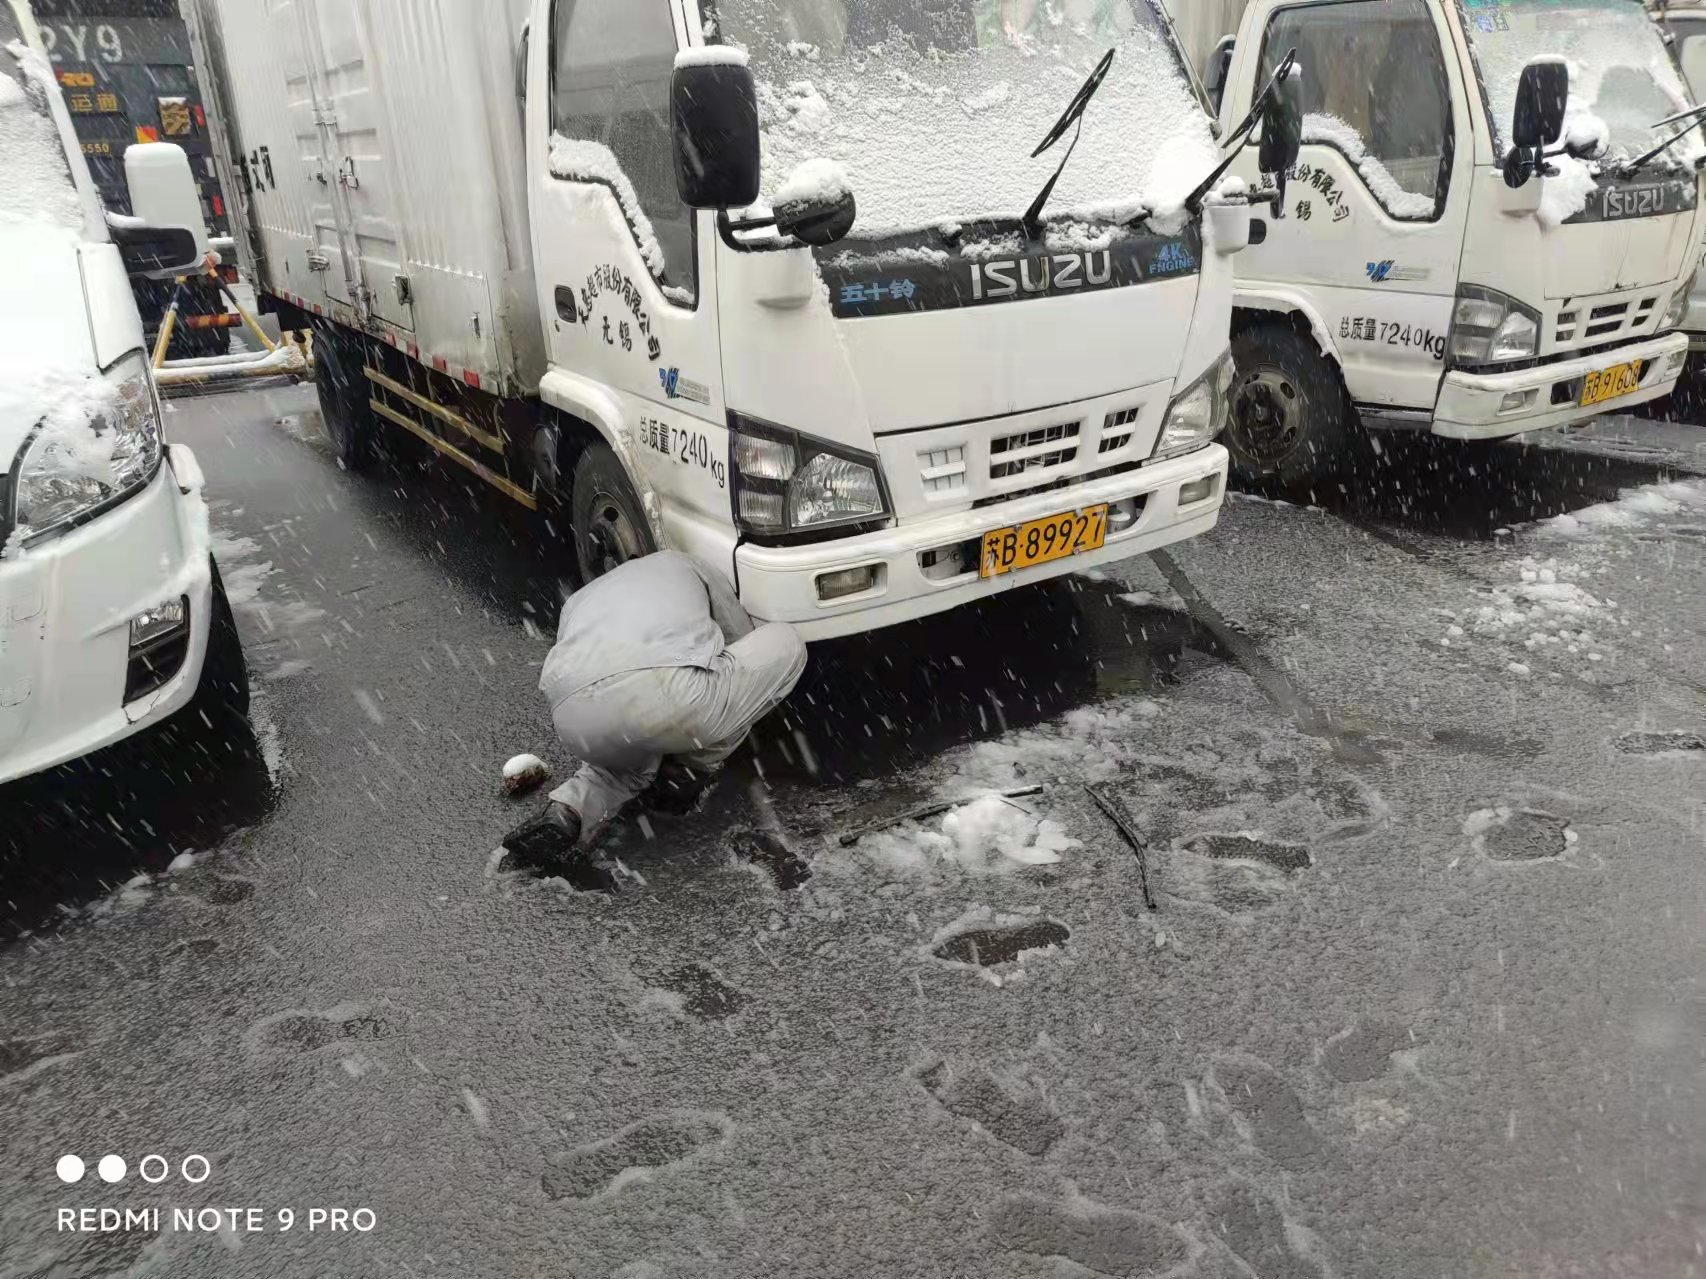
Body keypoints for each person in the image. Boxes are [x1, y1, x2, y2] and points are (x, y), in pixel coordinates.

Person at [502, 551, 807, 872]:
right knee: (783, 641)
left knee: (618, 767)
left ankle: (566, 813)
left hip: (574, 718)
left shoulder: (579, 599)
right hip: (669, 699)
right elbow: (740, 638)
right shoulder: (687, 561)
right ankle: (687, 771)